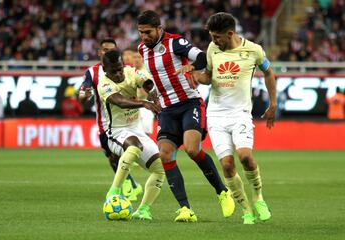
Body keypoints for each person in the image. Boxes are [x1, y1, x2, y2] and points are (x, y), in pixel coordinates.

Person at [137, 10, 234, 222]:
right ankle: (185, 209)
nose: (144, 37)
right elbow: (156, 76)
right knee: (165, 155)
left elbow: (201, 57)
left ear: (159, 29)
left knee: (192, 149)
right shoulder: (141, 49)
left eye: (148, 32)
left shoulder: (175, 42)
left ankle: (222, 192)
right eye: (141, 32)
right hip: (167, 109)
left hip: (190, 103)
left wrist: (191, 67)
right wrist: (153, 96)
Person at [184, 12, 276, 224]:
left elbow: (269, 73)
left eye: (217, 37)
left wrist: (273, 104)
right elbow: (208, 76)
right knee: (226, 164)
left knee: (245, 156)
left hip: (240, 113)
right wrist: (196, 76)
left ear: (230, 33)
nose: (214, 41)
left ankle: (258, 197)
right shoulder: (212, 48)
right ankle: (246, 210)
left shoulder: (254, 50)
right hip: (216, 114)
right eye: (211, 36)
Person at [99, 50, 164, 220]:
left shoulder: (130, 72)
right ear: (105, 70)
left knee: (160, 168)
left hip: (137, 129)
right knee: (134, 145)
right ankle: (114, 191)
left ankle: (143, 210)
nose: (119, 73)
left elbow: (147, 82)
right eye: (114, 71)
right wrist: (144, 103)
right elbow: (119, 102)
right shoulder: (104, 84)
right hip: (117, 132)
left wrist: (151, 93)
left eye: (120, 68)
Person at [78, 38, 143, 201]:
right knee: (111, 157)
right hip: (105, 123)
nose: (108, 52)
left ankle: (127, 186)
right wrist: (83, 96)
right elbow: (82, 93)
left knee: (124, 151)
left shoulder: (126, 69)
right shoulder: (92, 73)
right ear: (100, 52)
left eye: (112, 49)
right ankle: (131, 185)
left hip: (129, 119)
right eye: (105, 50)